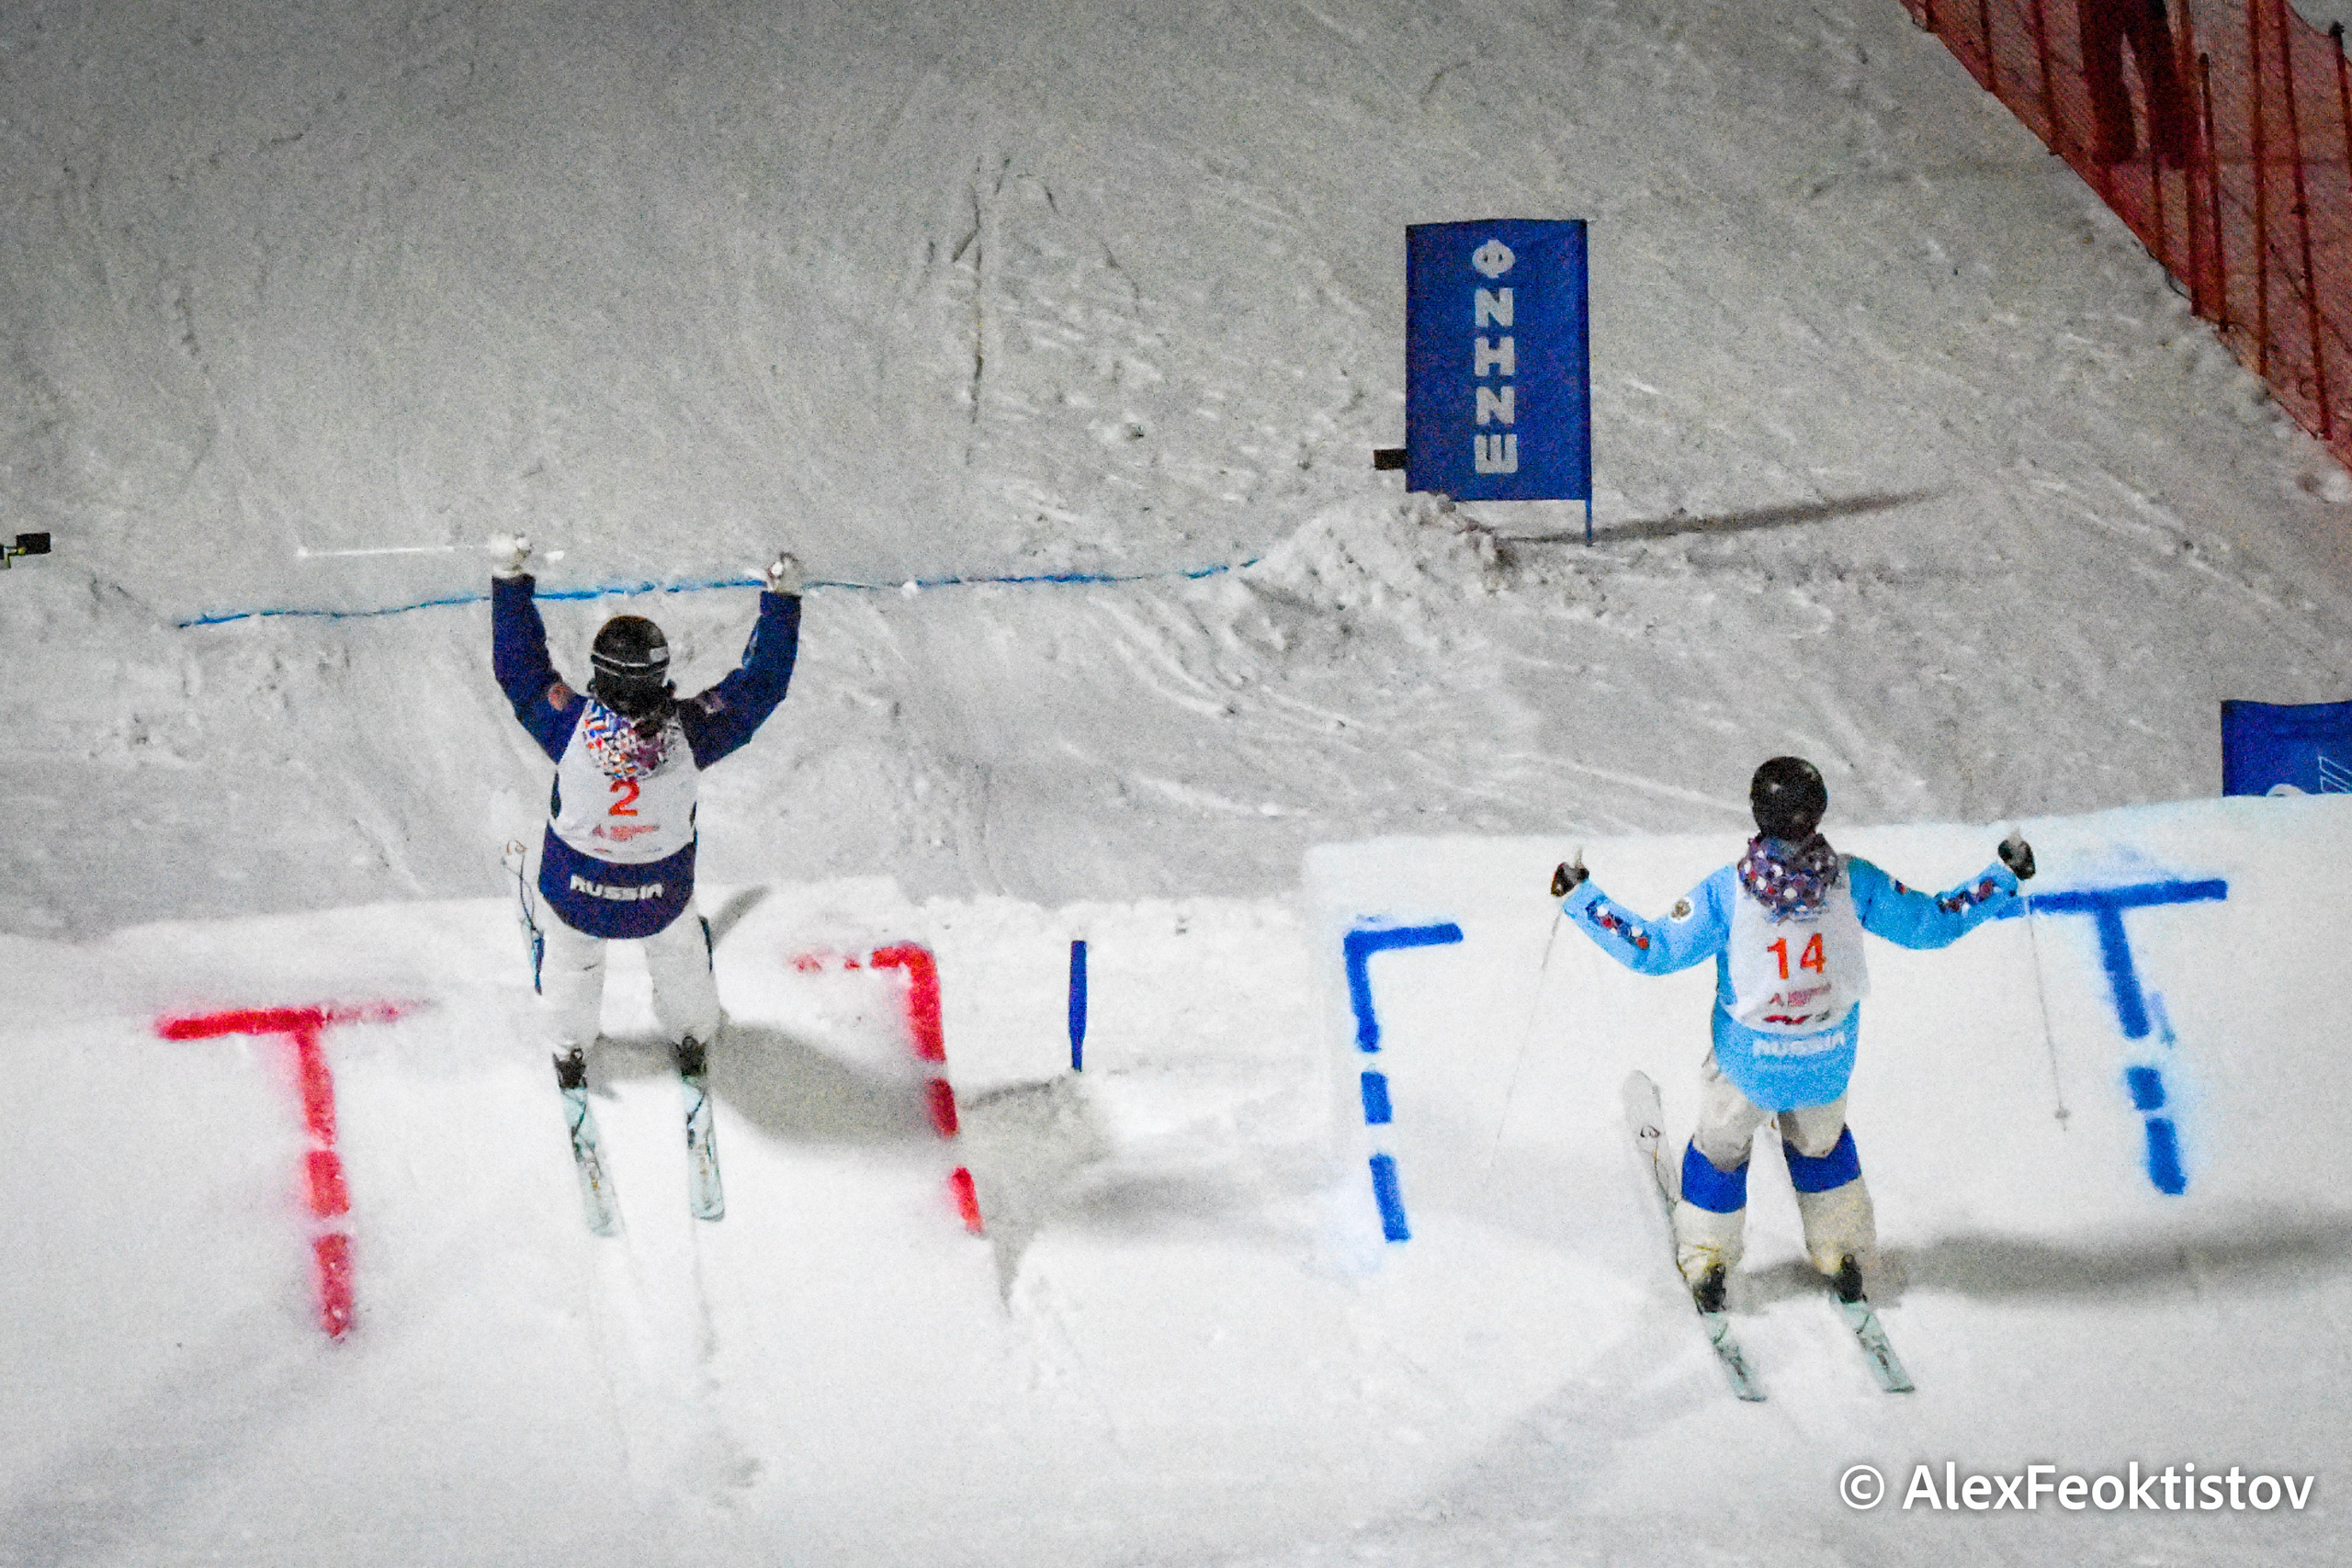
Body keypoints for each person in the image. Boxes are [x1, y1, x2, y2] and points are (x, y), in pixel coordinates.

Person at [1551, 757, 2035, 1308]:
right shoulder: (1856, 882)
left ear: (1758, 812)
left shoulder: (1728, 892)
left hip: (1747, 1064)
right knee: (1821, 1147)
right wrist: (2003, 878)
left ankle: (1709, 1258)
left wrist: (1580, 898)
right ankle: (1845, 1250)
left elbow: (1653, 950)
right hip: (1826, 1061)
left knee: (1719, 1153)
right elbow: (1931, 924)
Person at [488, 533, 803, 1103]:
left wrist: (509, 583)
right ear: (658, 675)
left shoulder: (568, 729)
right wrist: (781, 602)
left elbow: (521, 673)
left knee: (570, 966)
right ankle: (691, 1033)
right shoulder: (692, 734)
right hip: (659, 899)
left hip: (575, 896)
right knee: (681, 958)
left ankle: (569, 1045)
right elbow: (760, 688)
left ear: (598, 672)